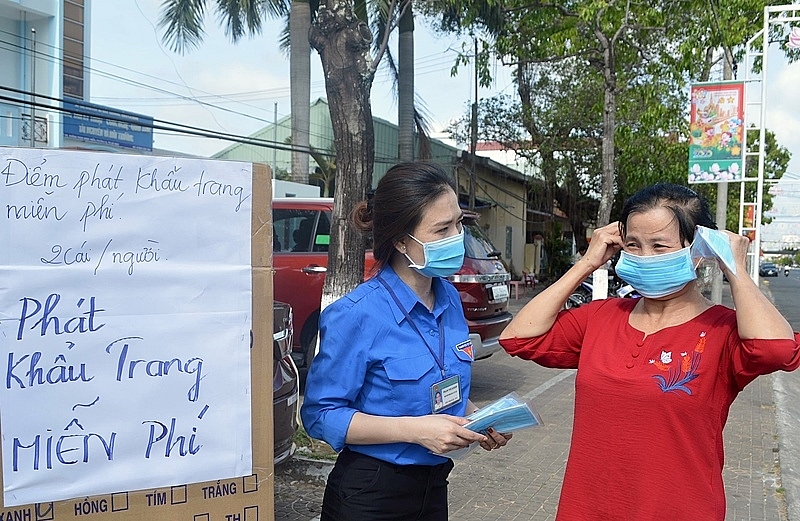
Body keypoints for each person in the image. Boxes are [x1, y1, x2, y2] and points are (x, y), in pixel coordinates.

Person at [499, 183, 800, 520]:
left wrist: (736, 269)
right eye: (633, 245)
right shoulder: (600, 317)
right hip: (586, 510)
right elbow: (518, 339)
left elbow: (776, 350)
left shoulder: (724, 330)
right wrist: (587, 263)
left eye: (659, 246)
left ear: (697, 250)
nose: (644, 257)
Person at [301, 162, 511, 521]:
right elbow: (320, 415)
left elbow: (441, 386)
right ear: (401, 241)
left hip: (434, 489)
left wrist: (477, 418)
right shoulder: (357, 313)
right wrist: (414, 431)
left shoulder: (449, 300)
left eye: (458, 224)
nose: (457, 237)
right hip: (370, 495)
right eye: (442, 229)